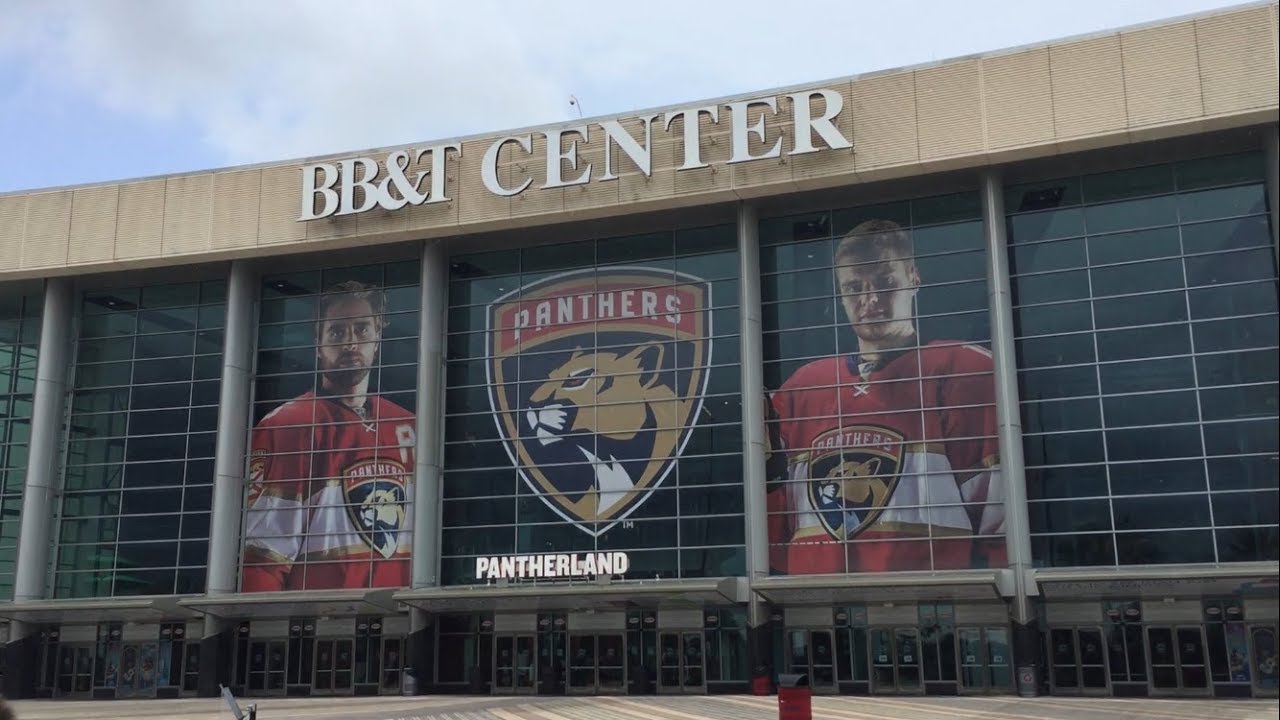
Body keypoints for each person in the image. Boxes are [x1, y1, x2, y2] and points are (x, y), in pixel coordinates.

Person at [767, 219, 1006, 575]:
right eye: (854, 288)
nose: (870, 301)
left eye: (885, 283)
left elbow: (998, 517)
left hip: (935, 604)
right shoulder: (802, 388)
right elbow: (778, 518)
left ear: (914, 277)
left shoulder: (964, 369)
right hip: (818, 608)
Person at [242, 281, 416, 591]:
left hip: (401, 619)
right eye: (337, 332)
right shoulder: (288, 425)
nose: (351, 343)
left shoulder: (408, 424)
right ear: (318, 344)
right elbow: (262, 560)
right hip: (319, 625)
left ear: (378, 338)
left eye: (362, 329)